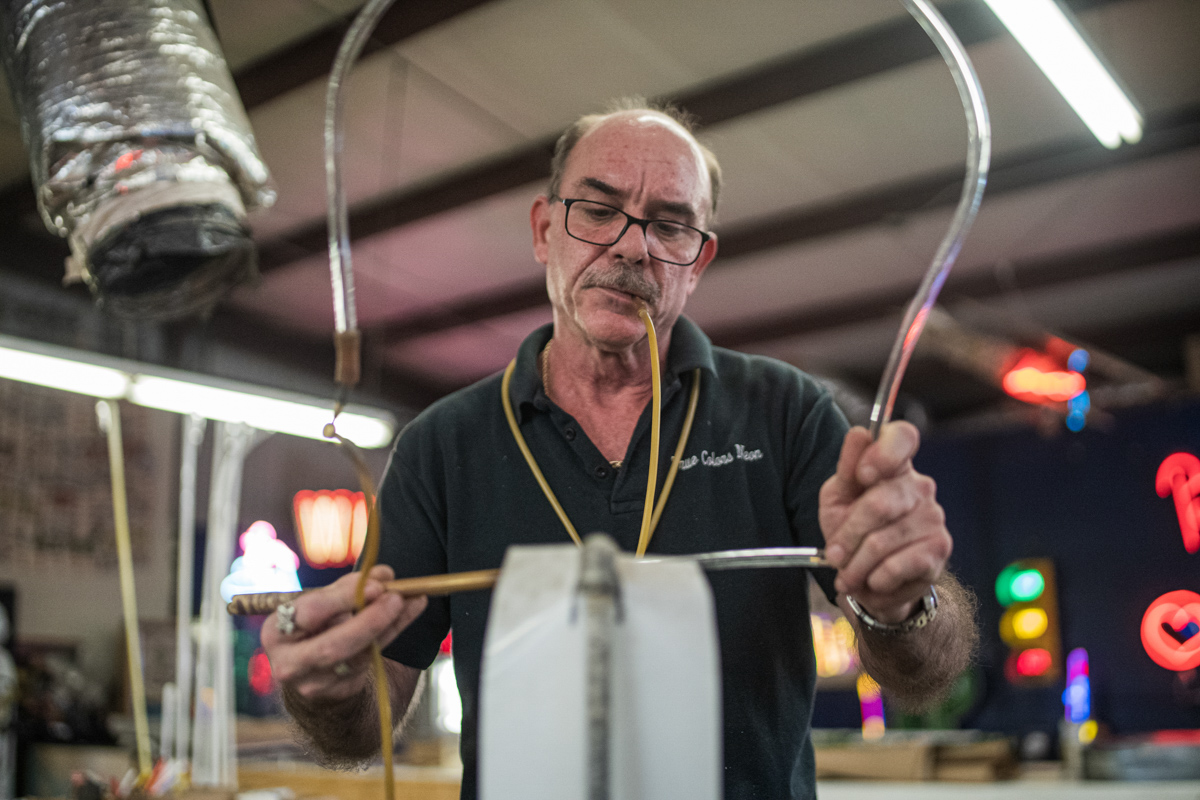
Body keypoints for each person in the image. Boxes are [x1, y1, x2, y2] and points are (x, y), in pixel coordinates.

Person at [263, 99, 978, 800]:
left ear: (697, 262)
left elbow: (921, 671)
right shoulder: (443, 445)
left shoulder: (784, 411)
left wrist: (900, 602)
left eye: (671, 225)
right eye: (599, 210)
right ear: (545, 229)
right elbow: (366, 719)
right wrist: (327, 688)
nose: (633, 246)